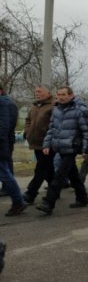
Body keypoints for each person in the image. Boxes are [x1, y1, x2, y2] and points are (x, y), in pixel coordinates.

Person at [35, 86, 88, 215]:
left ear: (71, 95)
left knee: (59, 175)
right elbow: (51, 129)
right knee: (73, 174)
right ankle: (82, 198)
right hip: (59, 146)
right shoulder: (56, 109)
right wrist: (46, 145)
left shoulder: (80, 110)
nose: (61, 97)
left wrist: (86, 149)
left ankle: (48, 202)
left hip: (72, 146)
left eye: (63, 95)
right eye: (59, 94)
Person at [22, 86, 54, 204]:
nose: (37, 94)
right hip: (35, 143)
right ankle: (54, 189)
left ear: (48, 93)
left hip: (47, 143)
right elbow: (28, 120)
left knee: (41, 169)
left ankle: (30, 193)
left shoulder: (53, 106)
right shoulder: (35, 106)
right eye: (36, 91)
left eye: (40, 92)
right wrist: (27, 131)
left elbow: (54, 124)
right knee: (48, 169)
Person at [0, 84, 26, 216]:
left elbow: (4, 127)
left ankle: (18, 201)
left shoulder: (4, 104)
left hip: (1, 145)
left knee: (4, 174)